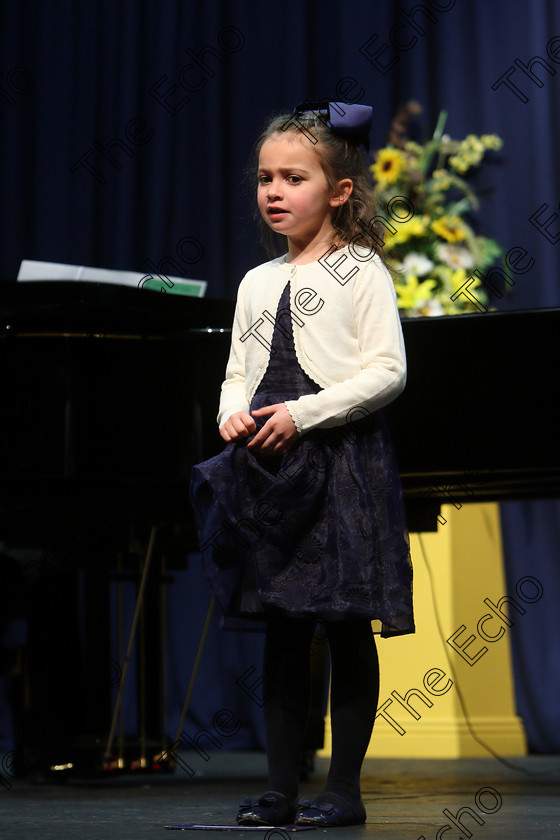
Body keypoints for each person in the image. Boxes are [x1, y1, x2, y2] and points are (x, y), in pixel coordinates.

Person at [190, 101, 414, 827]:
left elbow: (387, 373)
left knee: (343, 624)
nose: (274, 191)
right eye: (265, 178)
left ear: (340, 190)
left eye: (293, 177)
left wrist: (304, 414)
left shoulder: (361, 272)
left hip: (339, 464)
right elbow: (237, 369)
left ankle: (342, 791)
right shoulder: (258, 281)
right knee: (285, 627)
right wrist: (232, 407)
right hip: (273, 474)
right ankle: (281, 787)